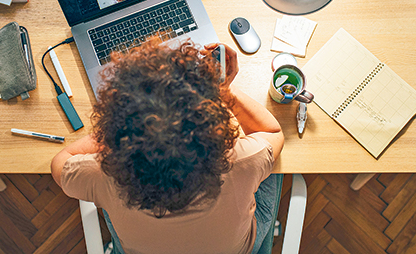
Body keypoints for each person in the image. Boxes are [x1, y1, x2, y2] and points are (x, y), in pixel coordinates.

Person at [51, 39, 284, 254]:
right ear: (211, 127)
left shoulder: (102, 174)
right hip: (238, 249)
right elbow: (272, 132)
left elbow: (61, 161)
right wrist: (224, 91)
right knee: (273, 165)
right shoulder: (242, 161)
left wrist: (115, 131)